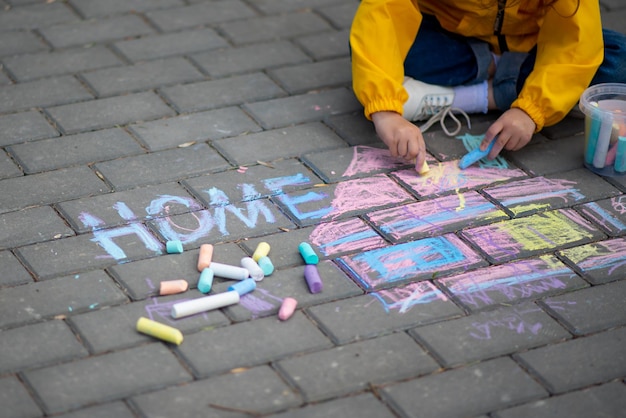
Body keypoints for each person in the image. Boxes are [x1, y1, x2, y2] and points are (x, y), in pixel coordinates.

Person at [350, 0, 626, 171]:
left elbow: (576, 41)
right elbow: (382, 16)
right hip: (453, 38)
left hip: (534, 42)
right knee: (376, 49)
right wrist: (385, 112)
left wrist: (531, 111)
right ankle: (507, 75)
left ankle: (479, 95)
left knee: (617, 60)